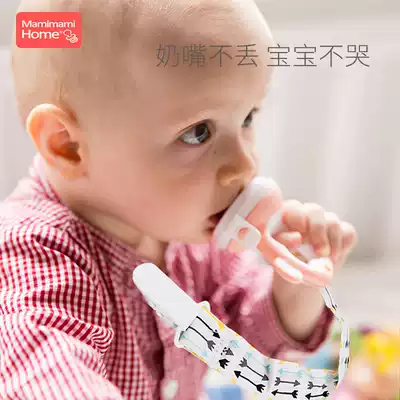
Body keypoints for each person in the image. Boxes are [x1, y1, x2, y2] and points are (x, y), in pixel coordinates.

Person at [0, 0, 357, 399]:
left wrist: (294, 290)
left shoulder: (189, 231)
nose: (245, 164)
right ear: (67, 146)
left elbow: (250, 340)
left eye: (247, 118)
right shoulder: (34, 255)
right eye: (197, 132)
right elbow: (43, 371)